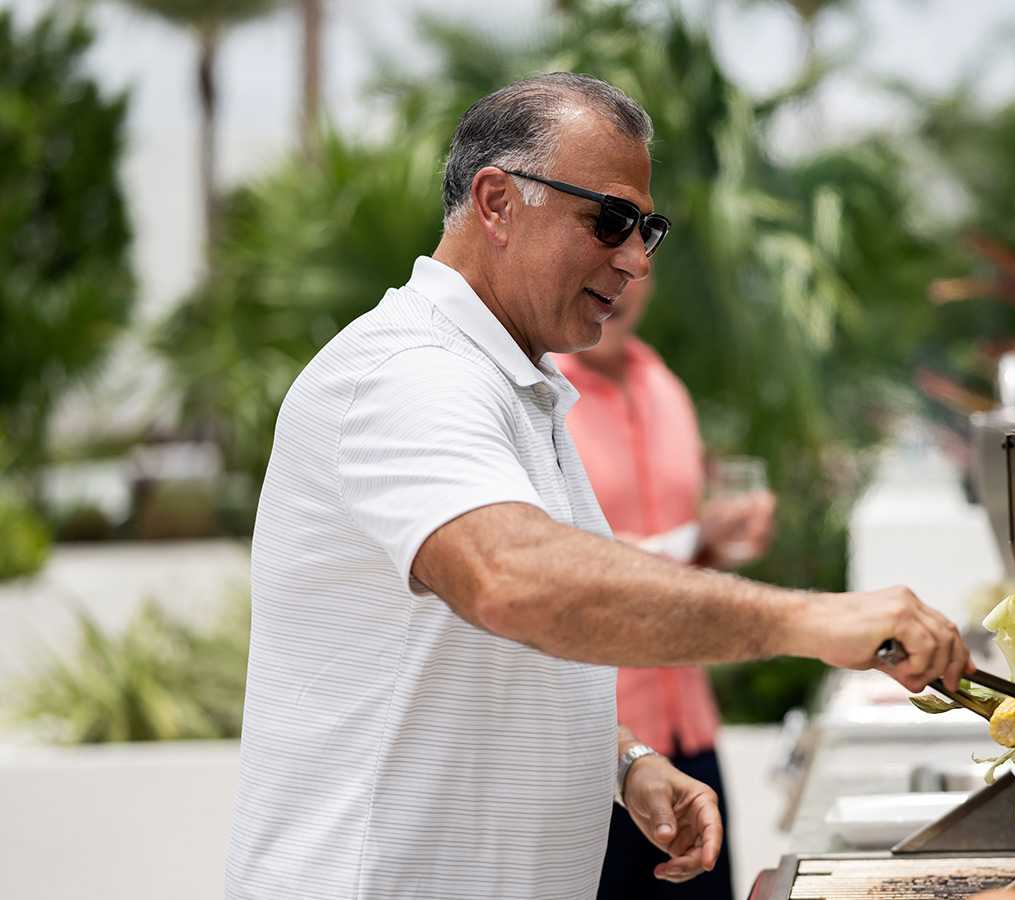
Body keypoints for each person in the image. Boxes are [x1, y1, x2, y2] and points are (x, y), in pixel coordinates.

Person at [224, 72, 972, 900]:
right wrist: (809, 618)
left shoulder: (513, 382)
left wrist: (623, 760)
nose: (635, 261)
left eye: (646, 228)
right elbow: (513, 584)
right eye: (609, 219)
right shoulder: (408, 373)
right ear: (498, 202)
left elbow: (486, 648)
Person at [556, 277, 774, 899]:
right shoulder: (545, 394)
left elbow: (677, 549)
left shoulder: (665, 386)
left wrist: (717, 540)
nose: (620, 283)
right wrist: (693, 537)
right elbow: (567, 556)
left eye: (638, 263)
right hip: (602, 739)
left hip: (689, 727)